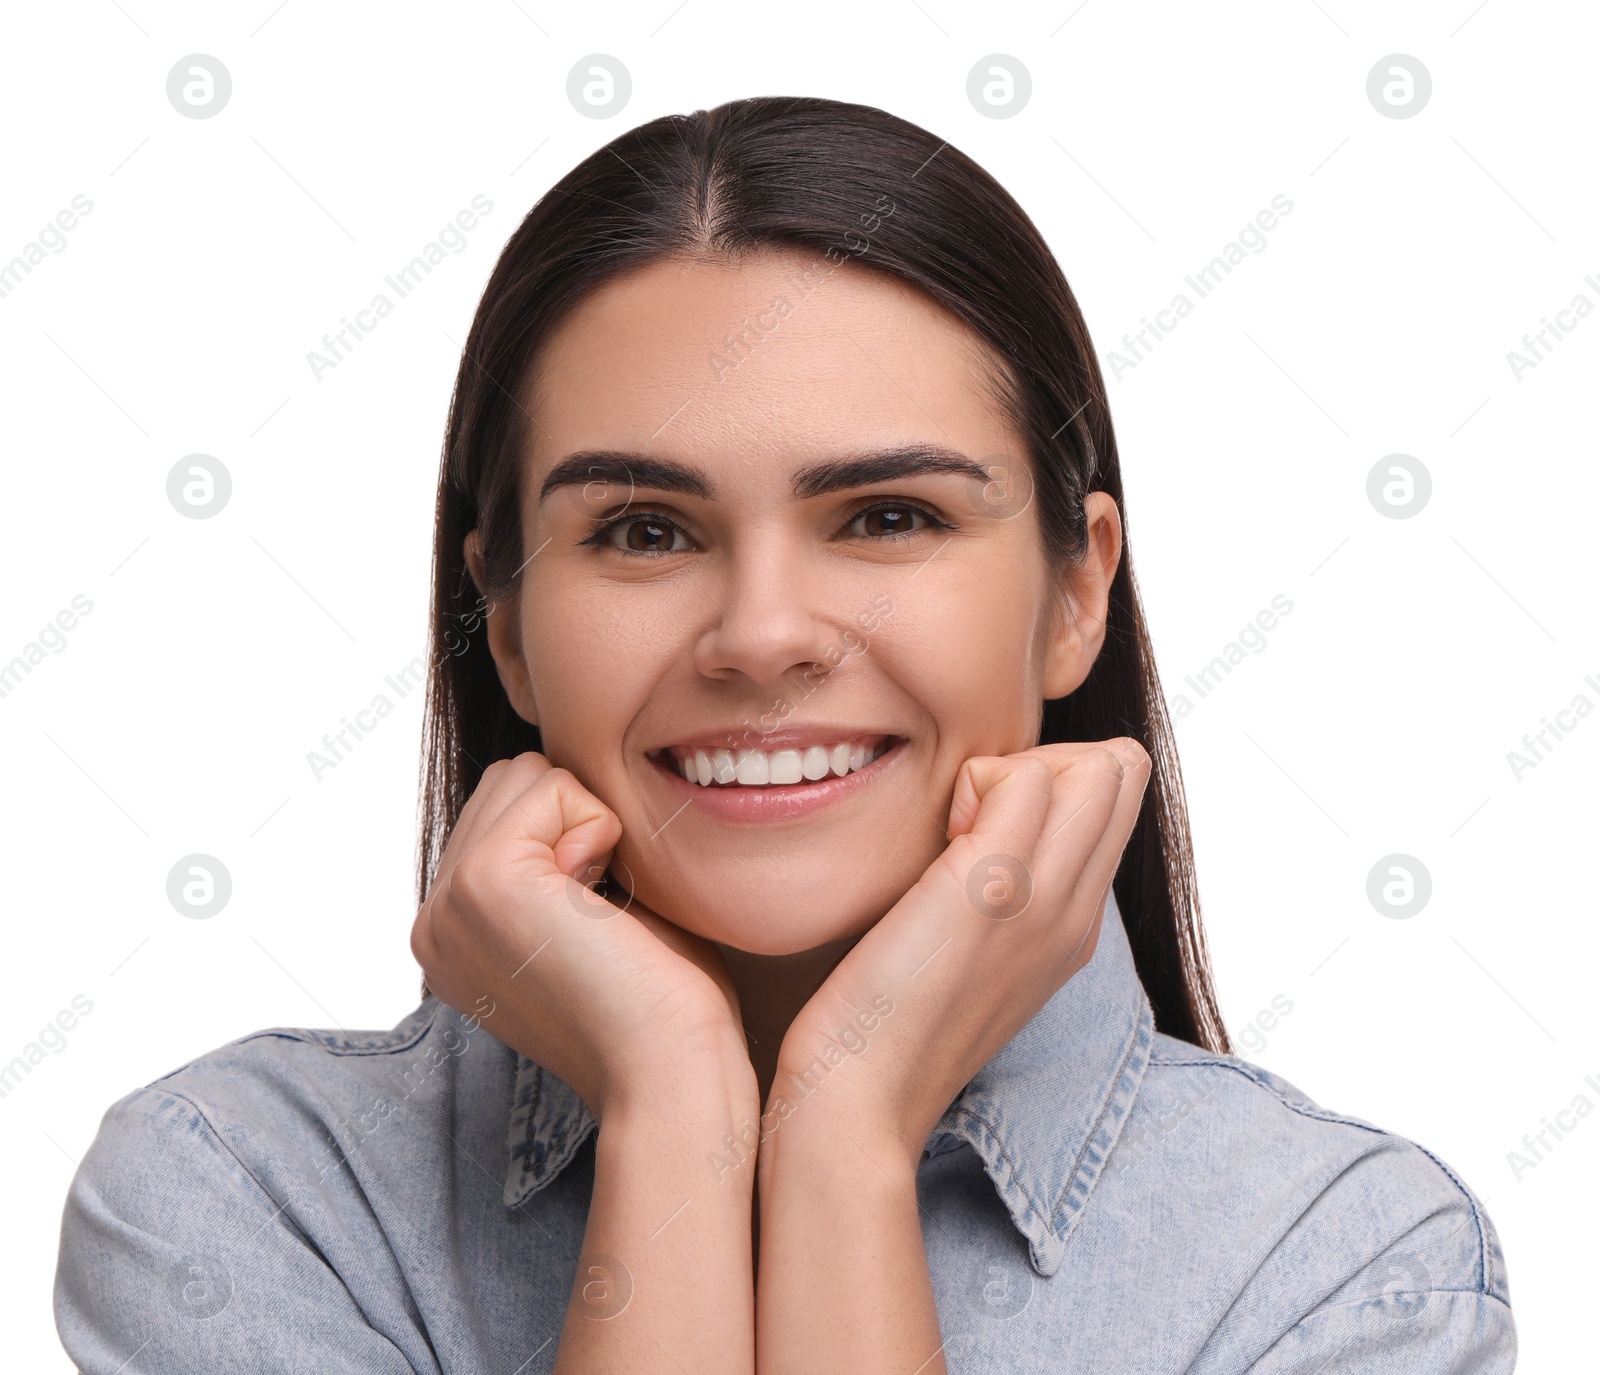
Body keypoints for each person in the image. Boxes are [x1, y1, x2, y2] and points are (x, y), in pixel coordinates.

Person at [55, 96, 1515, 1373]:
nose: (763, 633)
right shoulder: (246, 1198)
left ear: (1078, 593)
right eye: (643, 529)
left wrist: (845, 1134)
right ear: (502, 617)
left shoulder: (1343, 1275)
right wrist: (675, 1107)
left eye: (888, 517)